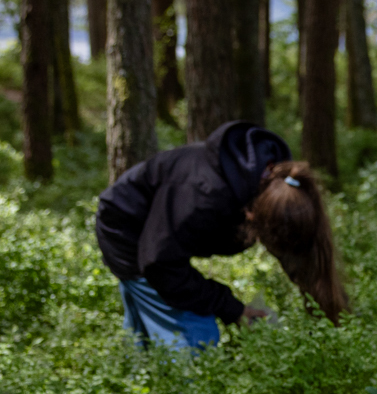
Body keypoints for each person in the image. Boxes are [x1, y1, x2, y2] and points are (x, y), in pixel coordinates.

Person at [94, 121, 347, 348]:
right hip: (127, 232)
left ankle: (138, 369)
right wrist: (233, 310)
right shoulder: (202, 196)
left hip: (162, 236)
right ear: (250, 214)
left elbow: (296, 254)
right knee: (197, 337)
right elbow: (159, 262)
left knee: (148, 329)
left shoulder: (281, 188)